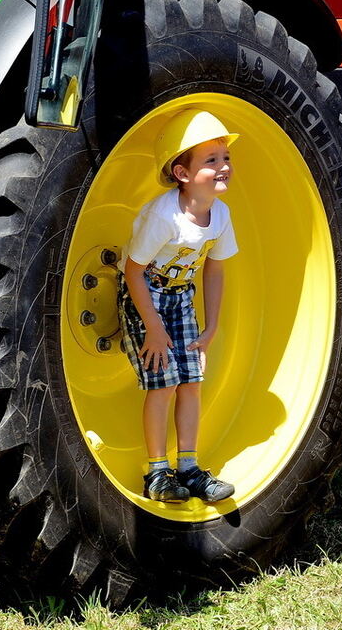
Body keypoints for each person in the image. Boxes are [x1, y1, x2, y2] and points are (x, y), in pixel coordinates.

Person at [117, 109, 239, 504]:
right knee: (164, 384)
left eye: (225, 158)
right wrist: (153, 328)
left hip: (181, 297)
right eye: (211, 161)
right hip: (146, 296)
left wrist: (212, 327)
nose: (223, 167)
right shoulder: (163, 216)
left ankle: (188, 467)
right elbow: (133, 272)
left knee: (191, 383)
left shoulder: (220, 214)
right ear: (182, 173)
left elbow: (214, 271)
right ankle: (157, 473)